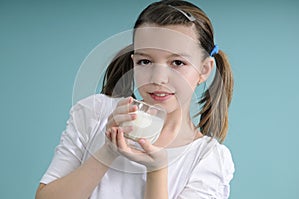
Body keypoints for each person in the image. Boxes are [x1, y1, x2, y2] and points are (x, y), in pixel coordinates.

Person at [35, 0, 235, 198]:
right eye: (145, 61)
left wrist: (157, 170)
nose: (158, 78)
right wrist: (108, 151)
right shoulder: (93, 113)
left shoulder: (208, 159)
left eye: (177, 62)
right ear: (134, 62)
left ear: (204, 70)